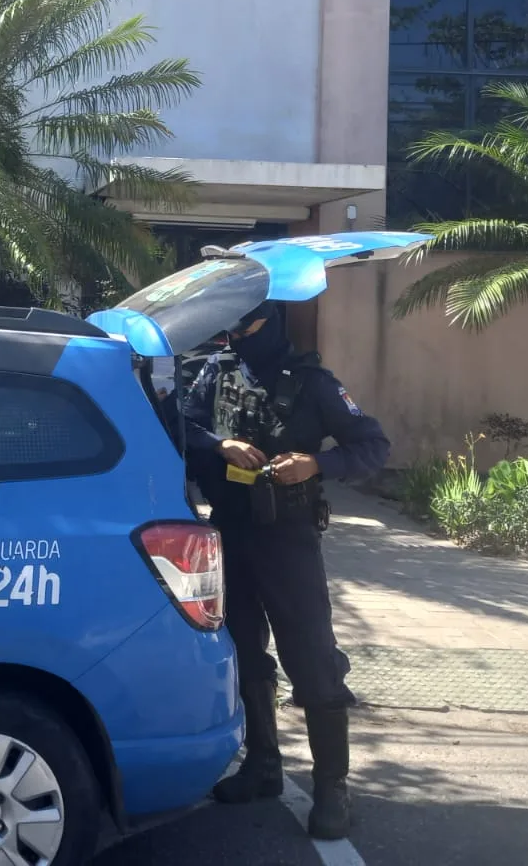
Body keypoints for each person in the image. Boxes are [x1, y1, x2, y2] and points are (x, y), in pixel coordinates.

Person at [181, 300, 389, 841]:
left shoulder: (313, 383)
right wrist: (217, 443)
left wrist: (316, 464)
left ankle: (332, 786)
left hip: (288, 539)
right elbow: (179, 427)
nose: (236, 338)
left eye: (245, 328)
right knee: (245, 655)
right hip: (228, 532)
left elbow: (372, 445)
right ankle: (263, 766)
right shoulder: (215, 372)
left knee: (312, 660)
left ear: (270, 325)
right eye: (229, 329)